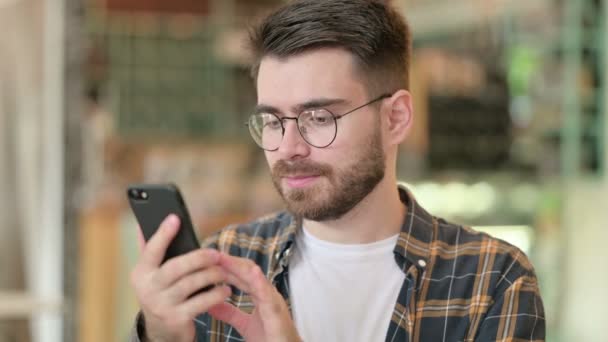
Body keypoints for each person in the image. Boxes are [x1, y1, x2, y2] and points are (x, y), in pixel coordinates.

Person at [130, 0, 545, 341]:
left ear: (396, 118)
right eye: (272, 122)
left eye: (319, 117)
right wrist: (160, 332)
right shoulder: (227, 263)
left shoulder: (490, 280)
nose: (288, 148)